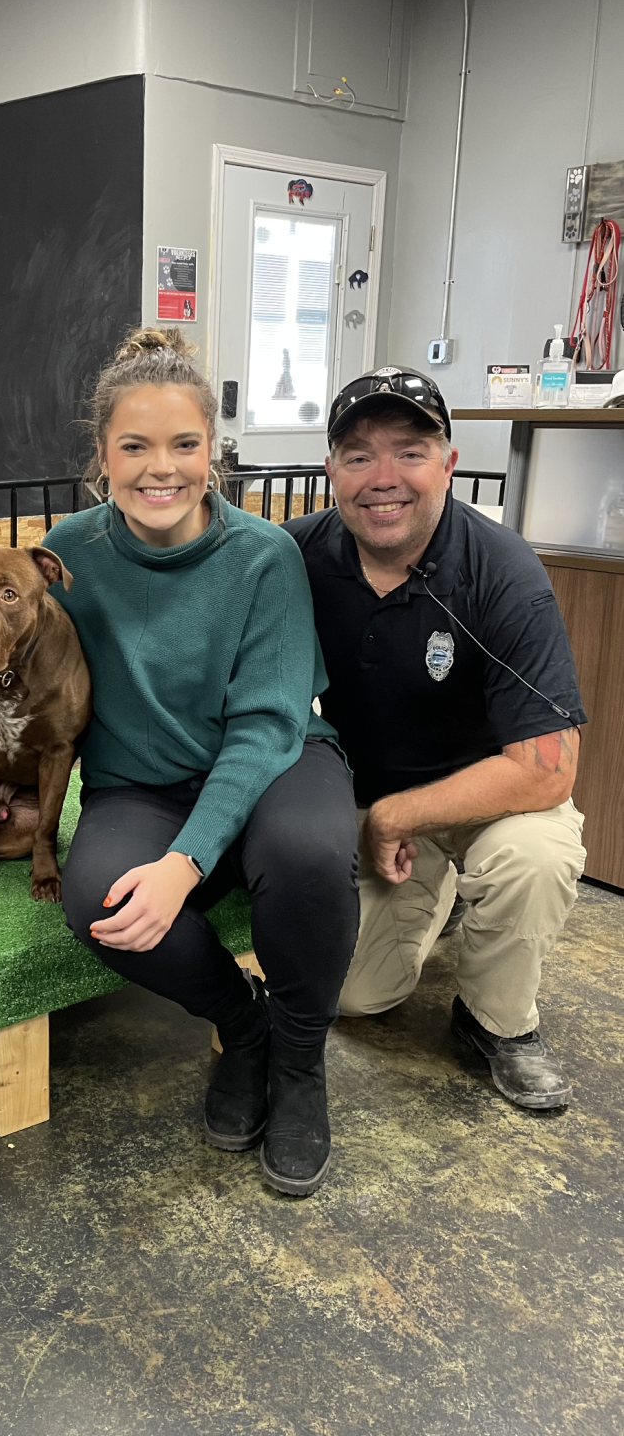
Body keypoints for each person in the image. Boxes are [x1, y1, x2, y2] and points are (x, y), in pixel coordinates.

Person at [0, 329, 360, 1196]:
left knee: (309, 854)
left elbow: (263, 727)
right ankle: (242, 1031)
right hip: (141, 781)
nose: (158, 469)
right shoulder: (72, 550)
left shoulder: (262, 557)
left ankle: (299, 1063)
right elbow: (21, 647)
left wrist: (183, 862)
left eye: (183, 445)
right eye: (134, 446)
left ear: (212, 452)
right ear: (102, 456)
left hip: (272, 760)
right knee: (95, 901)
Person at [284, 369, 586, 1109]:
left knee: (532, 859)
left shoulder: (501, 571)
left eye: (409, 452)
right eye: (357, 456)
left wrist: (398, 817)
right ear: (329, 471)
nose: (382, 479)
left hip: (488, 798)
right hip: (366, 796)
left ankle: (497, 1024)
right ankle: (440, 892)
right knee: (356, 999)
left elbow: (548, 770)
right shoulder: (290, 557)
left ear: (447, 464)